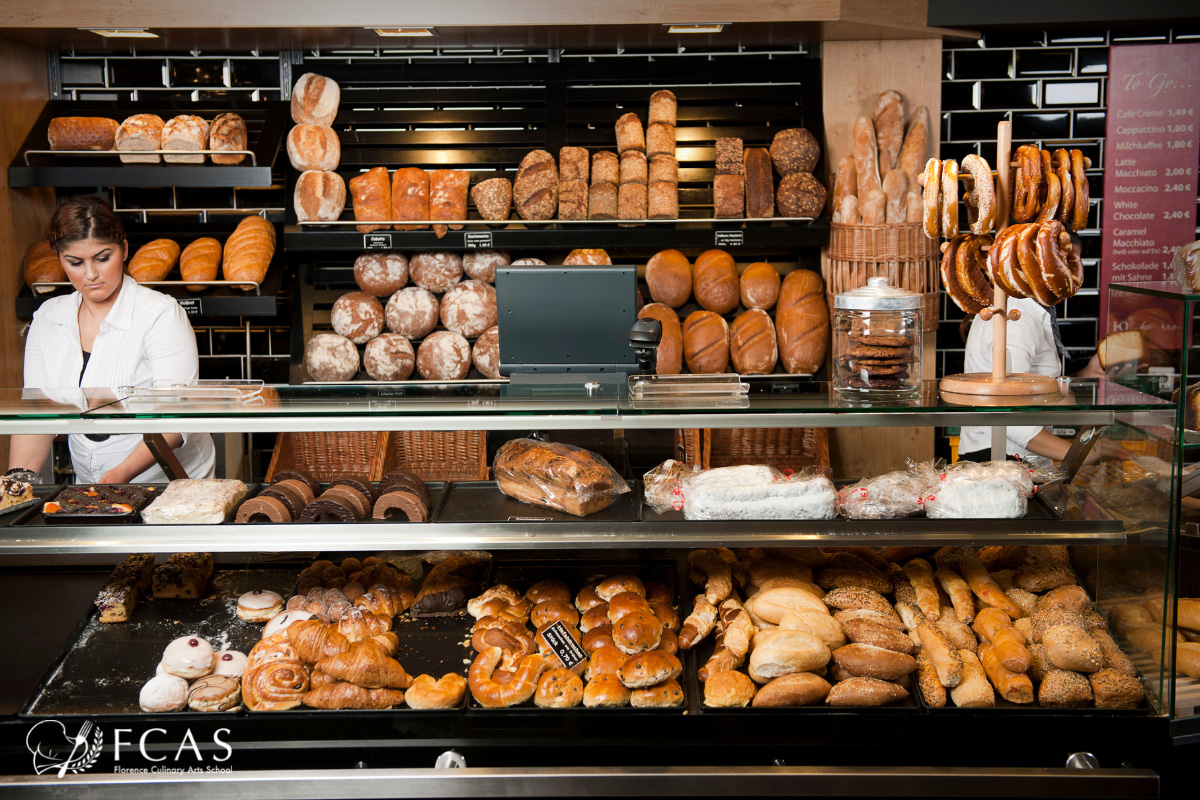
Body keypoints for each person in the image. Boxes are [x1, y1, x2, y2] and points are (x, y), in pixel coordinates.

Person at [7, 197, 214, 484]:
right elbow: (38, 413)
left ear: (124, 250)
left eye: (103, 258)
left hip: (168, 483)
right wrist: (18, 481)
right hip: (91, 481)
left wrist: (117, 477)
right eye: (75, 262)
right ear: (60, 260)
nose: (91, 274)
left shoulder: (161, 314)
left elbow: (175, 421)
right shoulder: (48, 318)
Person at [957, 296, 1106, 463]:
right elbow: (1009, 415)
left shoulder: (1014, 310)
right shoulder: (1017, 320)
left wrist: (1084, 375)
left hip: (1002, 457)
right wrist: (1079, 454)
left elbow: (1024, 386)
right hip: (1002, 461)